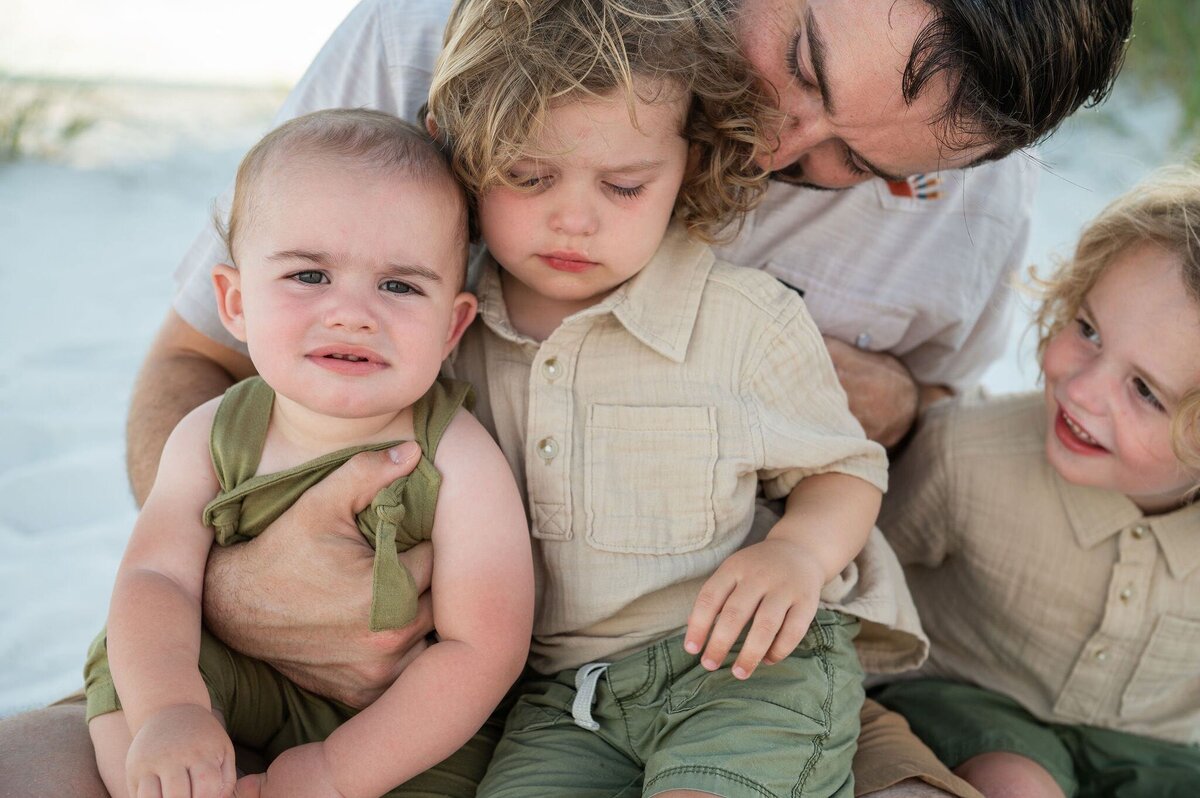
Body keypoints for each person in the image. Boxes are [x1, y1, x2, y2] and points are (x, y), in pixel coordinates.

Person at [0, 1, 1134, 796]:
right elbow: (198, 362)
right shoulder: (441, 35)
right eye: (802, 63)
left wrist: (887, 403)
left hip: (693, 660)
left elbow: (924, 448)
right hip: (341, 657)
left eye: (865, 168)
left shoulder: (970, 202)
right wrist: (253, 583)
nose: (787, 144)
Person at [429, 2, 897, 795]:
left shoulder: (743, 319)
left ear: (691, 166)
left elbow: (845, 471)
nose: (573, 218)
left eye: (623, 185)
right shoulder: (446, 332)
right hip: (563, 699)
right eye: (528, 175)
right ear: (465, 153)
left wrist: (796, 553)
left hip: (747, 667)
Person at [81, 108, 534, 798]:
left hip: (395, 719)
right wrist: (171, 710)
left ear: (452, 326)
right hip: (242, 678)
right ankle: (169, 781)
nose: (352, 313)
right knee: (127, 657)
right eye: (309, 277)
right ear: (234, 302)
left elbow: (483, 650)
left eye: (399, 286)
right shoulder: (210, 434)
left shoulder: (459, 458)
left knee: (457, 756)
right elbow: (157, 577)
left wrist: (335, 771)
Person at [873, 165, 1200, 797]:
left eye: (1143, 391)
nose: (1079, 389)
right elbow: (853, 583)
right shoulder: (965, 453)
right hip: (971, 704)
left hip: (1154, 748)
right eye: (1088, 330)